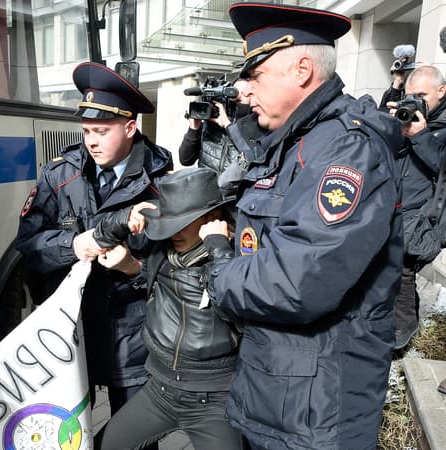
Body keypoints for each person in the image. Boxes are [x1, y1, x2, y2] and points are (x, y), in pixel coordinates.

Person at [198, 3, 404, 449]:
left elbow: (296, 283)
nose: (241, 90)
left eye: (254, 75)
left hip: (317, 410)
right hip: (284, 393)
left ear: (302, 70)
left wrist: (218, 263)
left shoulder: (345, 150)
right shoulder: (298, 141)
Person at [15, 62, 173, 426]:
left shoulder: (161, 185)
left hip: (135, 340)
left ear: (131, 128)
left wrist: (133, 268)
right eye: (87, 130)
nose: (92, 141)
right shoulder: (59, 175)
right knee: (65, 433)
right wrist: (74, 245)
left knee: (134, 437)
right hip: (71, 338)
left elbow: (179, 273)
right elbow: (27, 245)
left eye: (102, 130)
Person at [91, 168, 242, 450]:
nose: (173, 231)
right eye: (169, 222)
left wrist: (219, 248)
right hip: (160, 389)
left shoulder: (237, 259)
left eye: (183, 222)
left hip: (214, 398)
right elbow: (146, 271)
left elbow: (240, 307)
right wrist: (128, 259)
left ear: (213, 219)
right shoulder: (163, 250)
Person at [387, 65, 446, 349]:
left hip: (430, 214)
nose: (415, 102)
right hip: (398, 203)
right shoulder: (405, 119)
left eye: (421, 95)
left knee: (402, 251)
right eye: (410, 96)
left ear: (442, 91)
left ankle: (403, 325)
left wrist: (421, 136)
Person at [178, 78, 253, 176]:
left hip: (235, 189)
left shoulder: (257, 127)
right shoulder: (210, 125)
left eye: (244, 94)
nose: (237, 97)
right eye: (233, 93)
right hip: (207, 188)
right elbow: (185, 160)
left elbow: (252, 158)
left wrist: (228, 126)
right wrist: (194, 129)